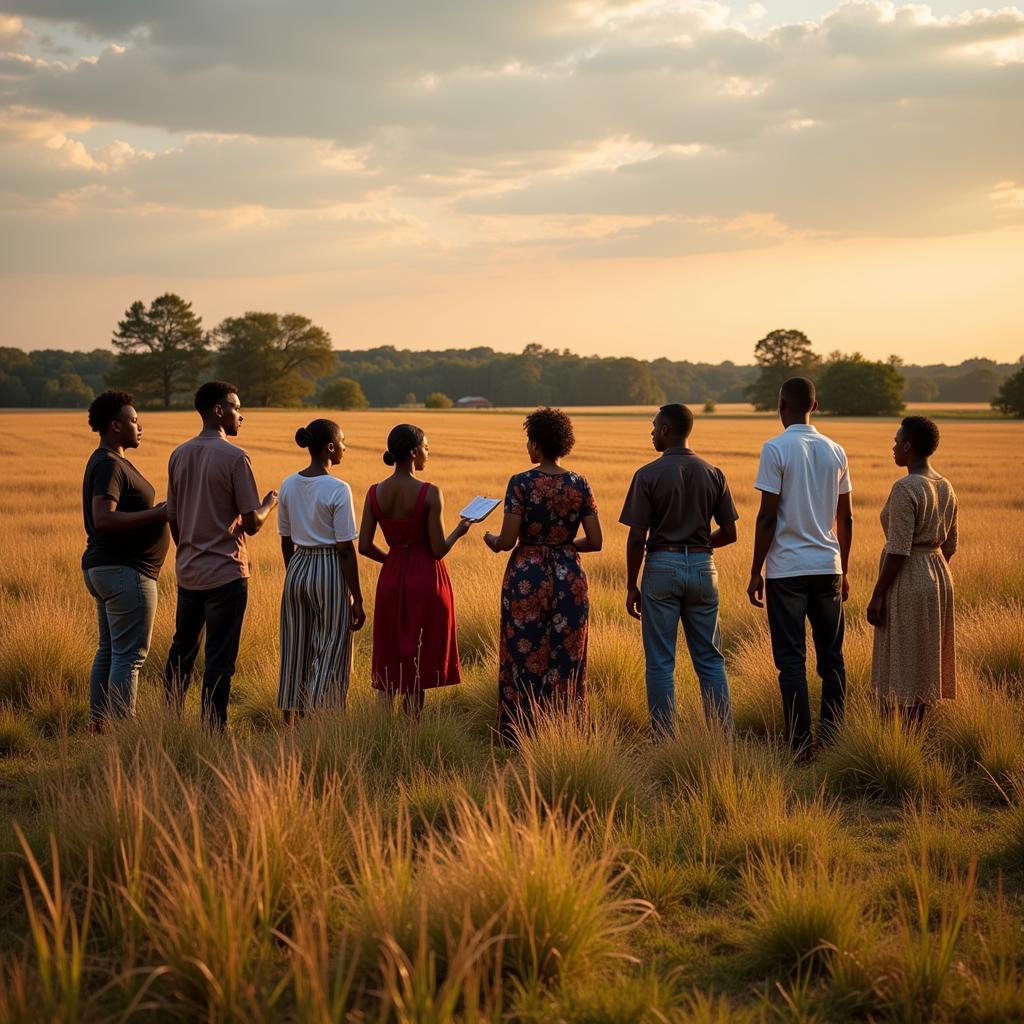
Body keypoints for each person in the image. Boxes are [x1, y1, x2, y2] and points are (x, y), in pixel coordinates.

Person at [747, 377, 853, 760]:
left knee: (791, 660)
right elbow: (848, 518)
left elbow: (766, 518)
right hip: (828, 567)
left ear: (781, 406)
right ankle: (834, 739)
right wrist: (845, 569)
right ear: (816, 406)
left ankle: (800, 745)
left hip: (786, 570)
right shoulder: (836, 450)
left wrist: (756, 570)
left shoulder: (775, 448)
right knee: (833, 659)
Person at [163, 381, 277, 730]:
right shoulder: (235, 457)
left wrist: (186, 551)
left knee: (181, 651)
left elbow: (173, 516)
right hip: (227, 574)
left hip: (189, 572)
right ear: (218, 411)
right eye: (235, 407)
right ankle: (213, 730)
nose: (240, 415)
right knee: (220, 658)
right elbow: (252, 522)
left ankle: (170, 722)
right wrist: (270, 503)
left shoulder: (178, 454)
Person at [484, 408, 602, 744]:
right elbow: (595, 541)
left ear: (536, 444)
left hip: (527, 575)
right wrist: (564, 546)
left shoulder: (521, 483)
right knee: (568, 652)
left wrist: (490, 539)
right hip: (570, 576)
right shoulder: (580, 483)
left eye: (528, 441)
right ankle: (565, 731)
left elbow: (507, 541)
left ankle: (519, 732)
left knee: (522, 652)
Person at [620, 403, 738, 735]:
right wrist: (698, 549)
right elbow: (730, 533)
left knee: (660, 662)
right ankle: (722, 737)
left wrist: (632, 584)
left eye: (655, 426)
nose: (652, 432)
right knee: (711, 660)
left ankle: (665, 740)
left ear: (667, 430)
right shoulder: (714, 472)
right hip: (704, 568)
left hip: (661, 566)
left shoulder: (647, 474)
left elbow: (635, 538)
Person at [358, 424, 469, 713]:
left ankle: (381, 726)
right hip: (426, 579)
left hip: (391, 577)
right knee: (417, 658)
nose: (427, 454)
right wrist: (460, 529)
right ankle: (410, 730)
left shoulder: (373, 493)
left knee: (389, 652)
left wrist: (395, 562)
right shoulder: (430, 492)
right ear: (412, 452)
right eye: (425, 448)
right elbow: (437, 549)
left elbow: (364, 546)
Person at [81, 391, 170, 730]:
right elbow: (104, 518)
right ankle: (123, 730)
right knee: (129, 657)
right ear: (115, 425)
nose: (139, 426)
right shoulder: (109, 464)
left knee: (109, 651)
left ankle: (99, 724)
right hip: (125, 571)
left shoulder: (107, 461)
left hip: (107, 569)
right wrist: (157, 514)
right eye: (133, 420)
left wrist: (153, 512)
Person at [867, 416, 958, 726]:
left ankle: (900, 737)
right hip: (939, 575)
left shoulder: (906, 487)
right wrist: (933, 574)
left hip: (908, 577)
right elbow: (950, 546)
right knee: (924, 661)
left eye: (896, 442)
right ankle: (917, 731)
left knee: (903, 661)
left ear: (908, 446)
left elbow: (898, 549)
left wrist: (877, 594)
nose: (892, 447)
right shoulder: (945, 486)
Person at [277, 419, 365, 723]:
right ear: (330, 447)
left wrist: (295, 573)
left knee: (295, 647)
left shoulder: (288, 484)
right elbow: (344, 548)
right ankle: (318, 721)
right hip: (328, 566)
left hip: (298, 566)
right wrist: (358, 598)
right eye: (342, 441)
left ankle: (291, 720)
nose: (344, 447)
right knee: (330, 646)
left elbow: (286, 540)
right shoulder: (339, 489)